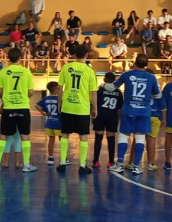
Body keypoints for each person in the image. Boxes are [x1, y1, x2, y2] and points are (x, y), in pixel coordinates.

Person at [107, 54, 161, 176]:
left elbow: (112, 87)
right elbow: (158, 95)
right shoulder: (151, 77)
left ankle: (119, 164)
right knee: (140, 138)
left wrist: (103, 85)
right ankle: (137, 166)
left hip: (128, 110)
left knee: (123, 137)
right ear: (146, 65)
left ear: (134, 63)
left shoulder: (127, 74)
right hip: (144, 112)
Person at [0, 48, 37, 172]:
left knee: (3, 135)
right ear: (20, 58)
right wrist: (22, 98)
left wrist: (6, 99)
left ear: (8, 58)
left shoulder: (4, 72)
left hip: (8, 108)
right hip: (23, 107)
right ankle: (26, 165)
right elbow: (31, 92)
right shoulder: (26, 72)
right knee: (24, 136)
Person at [56, 44, 97, 174]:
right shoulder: (89, 71)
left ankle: (62, 163)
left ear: (74, 55)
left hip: (68, 106)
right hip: (82, 108)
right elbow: (93, 93)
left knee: (65, 135)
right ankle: (82, 166)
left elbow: (60, 88)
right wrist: (95, 108)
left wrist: (59, 104)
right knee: (83, 136)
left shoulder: (66, 67)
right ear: (86, 55)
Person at [92, 72, 123, 168]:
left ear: (104, 80)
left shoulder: (100, 90)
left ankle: (96, 161)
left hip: (100, 116)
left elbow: (94, 103)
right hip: (112, 117)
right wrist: (118, 120)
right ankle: (111, 162)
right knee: (111, 139)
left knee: (98, 138)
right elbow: (119, 108)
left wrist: (93, 114)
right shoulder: (118, 92)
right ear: (115, 81)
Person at [35, 82, 61, 166]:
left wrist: (43, 113)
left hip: (50, 122)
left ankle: (50, 157)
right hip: (59, 122)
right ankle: (64, 158)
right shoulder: (60, 99)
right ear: (56, 89)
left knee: (51, 140)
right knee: (63, 140)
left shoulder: (46, 98)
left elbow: (36, 105)